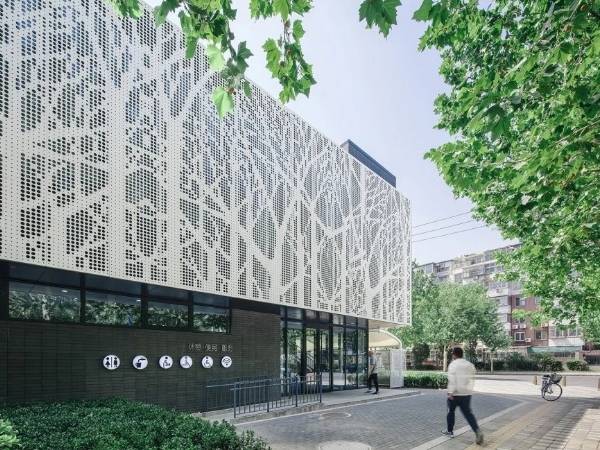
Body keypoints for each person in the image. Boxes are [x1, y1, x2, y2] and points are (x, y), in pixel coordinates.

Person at [441, 347, 484, 445]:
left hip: (455, 394)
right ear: (462, 354)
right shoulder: (469, 365)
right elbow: (472, 378)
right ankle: (477, 431)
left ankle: (450, 431)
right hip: (466, 394)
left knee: (450, 412)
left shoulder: (453, 364)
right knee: (468, 414)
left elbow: (452, 379)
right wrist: (469, 390)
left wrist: (450, 392)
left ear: (454, 354)